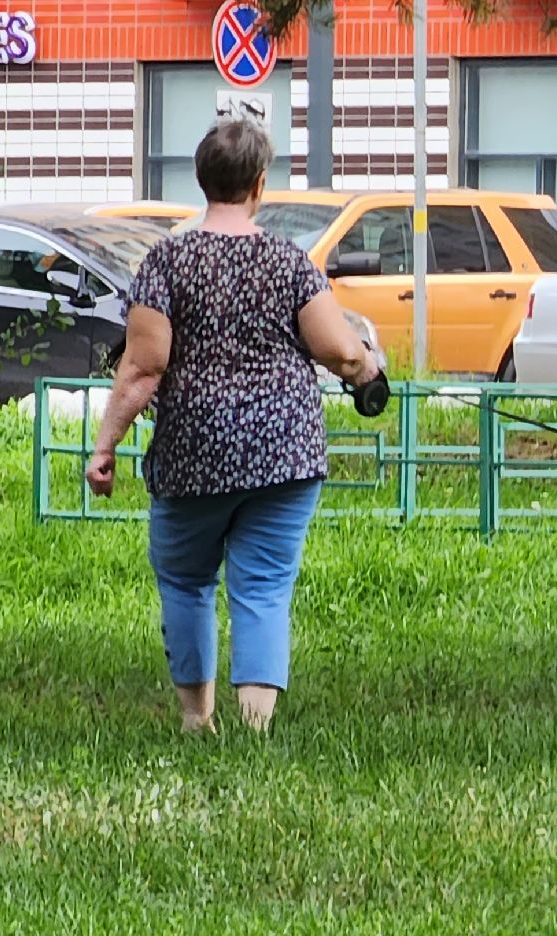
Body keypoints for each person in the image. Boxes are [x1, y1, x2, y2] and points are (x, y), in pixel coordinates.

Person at [86, 119, 378, 735]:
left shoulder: (166, 261)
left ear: (202, 181)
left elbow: (143, 367)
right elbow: (342, 352)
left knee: (187, 580)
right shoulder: (288, 262)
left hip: (193, 452)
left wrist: (104, 446)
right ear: (259, 185)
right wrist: (370, 374)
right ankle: (255, 729)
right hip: (283, 455)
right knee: (265, 585)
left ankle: (198, 718)